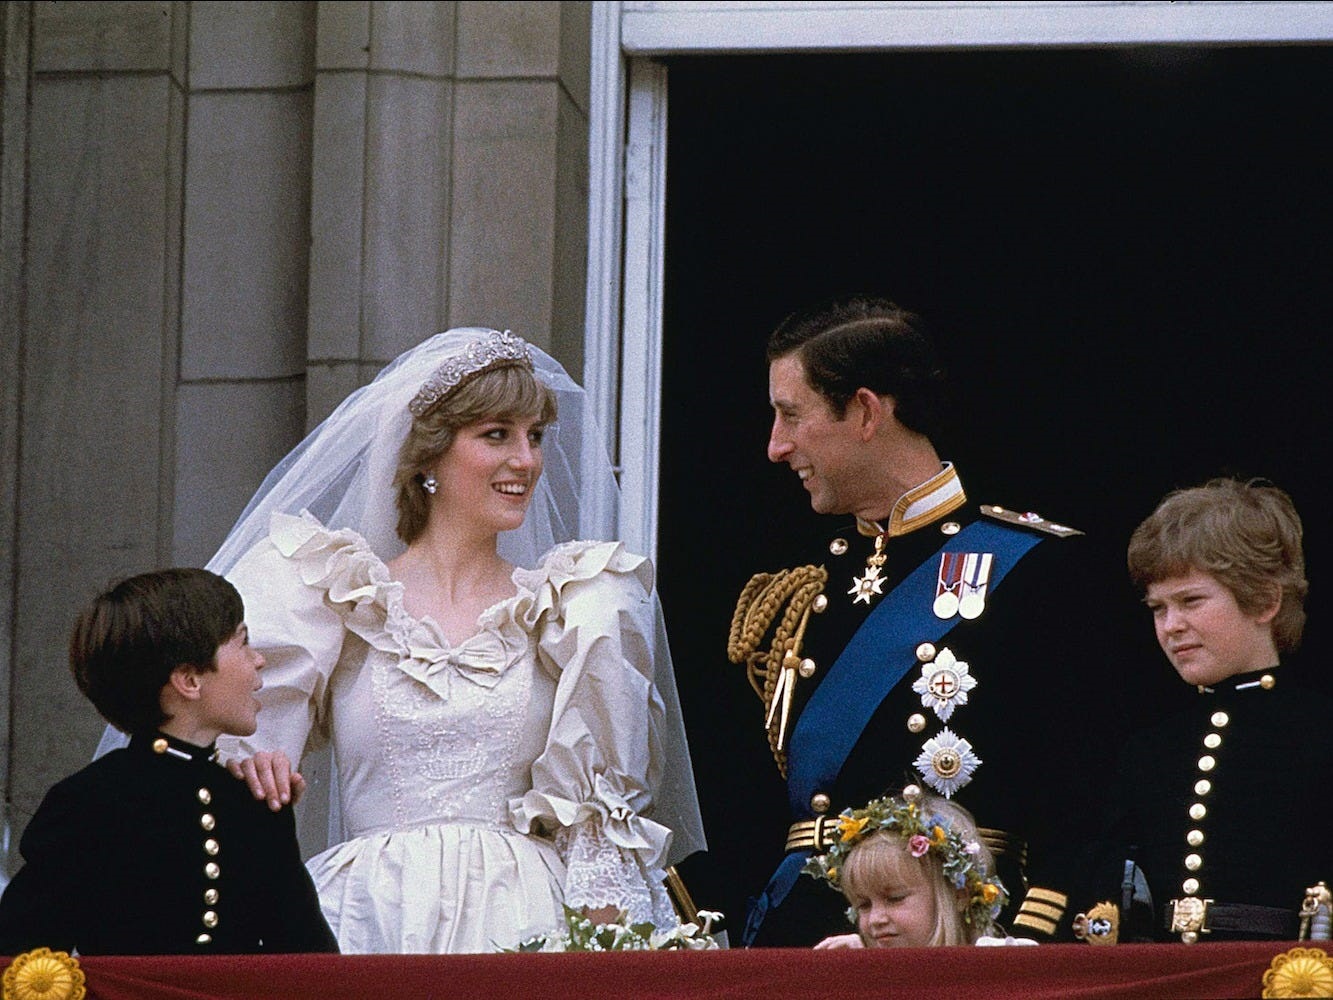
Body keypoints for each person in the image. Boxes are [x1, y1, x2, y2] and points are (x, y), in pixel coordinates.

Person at [135, 328, 705, 954]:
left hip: (526, 924)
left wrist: (605, 960)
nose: (527, 459)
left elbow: (599, 827)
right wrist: (251, 767)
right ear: (428, 454)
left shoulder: (574, 607)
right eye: (497, 435)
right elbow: (235, 773)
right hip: (367, 922)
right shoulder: (333, 596)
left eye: (535, 436)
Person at [729, 295, 1109, 946]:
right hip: (806, 943)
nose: (775, 446)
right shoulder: (799, 585)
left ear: (865, 411)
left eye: (791, 415)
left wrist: (1027, 941)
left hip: (957, 938)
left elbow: (1080, 800)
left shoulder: (1031, 568)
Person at [0, 569, 337, 955]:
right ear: (189, 681)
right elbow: (21, 964)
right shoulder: (88, 803)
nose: (259, 660)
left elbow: (312, 966)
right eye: (243, 643)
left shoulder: (254, 804)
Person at [1071, 477, 1333, 944]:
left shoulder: (1317, 735)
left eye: (1191, 600)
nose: (1172, 626)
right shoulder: (1148, 750)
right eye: (1158, 608)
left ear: (1265, 600)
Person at [804, 786, 1007, 949]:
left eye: (894, 899)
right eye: (864, 905)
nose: (876, 919)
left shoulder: (1003, 965)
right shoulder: (862, 972)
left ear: (959, 895)